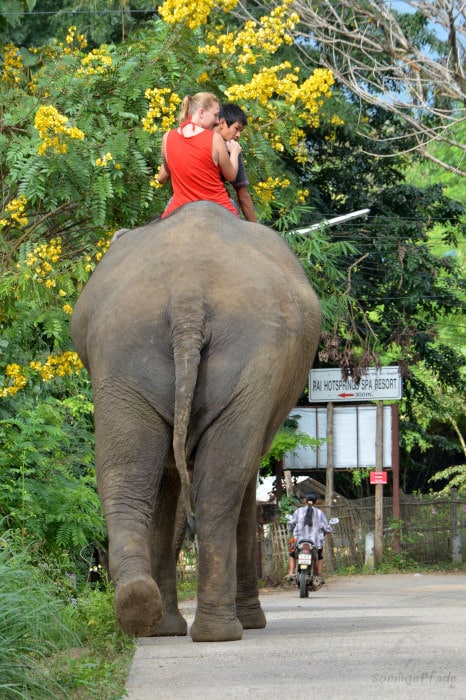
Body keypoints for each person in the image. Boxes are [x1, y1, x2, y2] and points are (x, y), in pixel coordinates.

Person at [158, 92, 242, 219]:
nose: (217, 121)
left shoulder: (167, 137)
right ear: (202, 112)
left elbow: (161, 178)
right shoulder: (215, 138)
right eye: (215, 115)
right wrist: (234, 152)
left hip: (179, 206)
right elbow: (230, 175)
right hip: (219, 206)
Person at [215, 103, 257, 222]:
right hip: (218, 202)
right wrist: (256, 229)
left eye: (241, 131)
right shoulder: (232, 148)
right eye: (236, 128)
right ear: (222, 123)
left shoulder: (196, 137)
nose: (238, 135)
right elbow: (242, 195)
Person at [286, 492, 333, 582]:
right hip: (315, 542)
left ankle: (291, 572)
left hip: (298, 541)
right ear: (316, 502)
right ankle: (319, 575)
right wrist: (330, 531)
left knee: (291, 554)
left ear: (305, 501)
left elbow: (291, 523)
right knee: (320, 556)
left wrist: (290, 529)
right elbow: (326, 527)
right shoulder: (320, 513)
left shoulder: (298, 511)